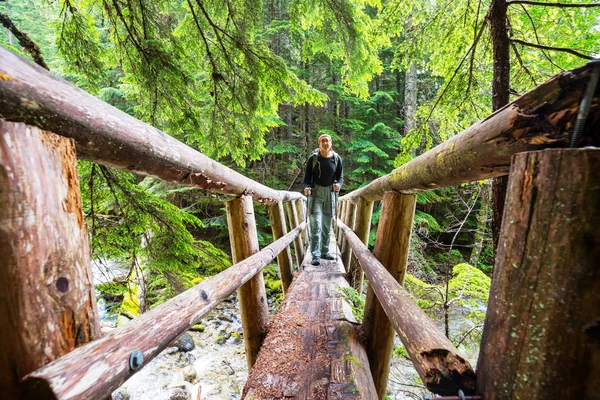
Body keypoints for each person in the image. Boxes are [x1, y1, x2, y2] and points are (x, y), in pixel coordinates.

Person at [302, 134, 343, 266]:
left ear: (331, 143)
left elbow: (340, 178)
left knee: (326, 225)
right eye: (323, 141)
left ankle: (325, 252)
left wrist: (339, 186)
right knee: (316, 225)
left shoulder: (337, 159)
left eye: (328, 141)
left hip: (330, 194)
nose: (325, 143)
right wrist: (306, 187)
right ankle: (316, 254)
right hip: (316, 194)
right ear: (319, 144)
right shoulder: (313, 159)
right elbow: (306, 179)